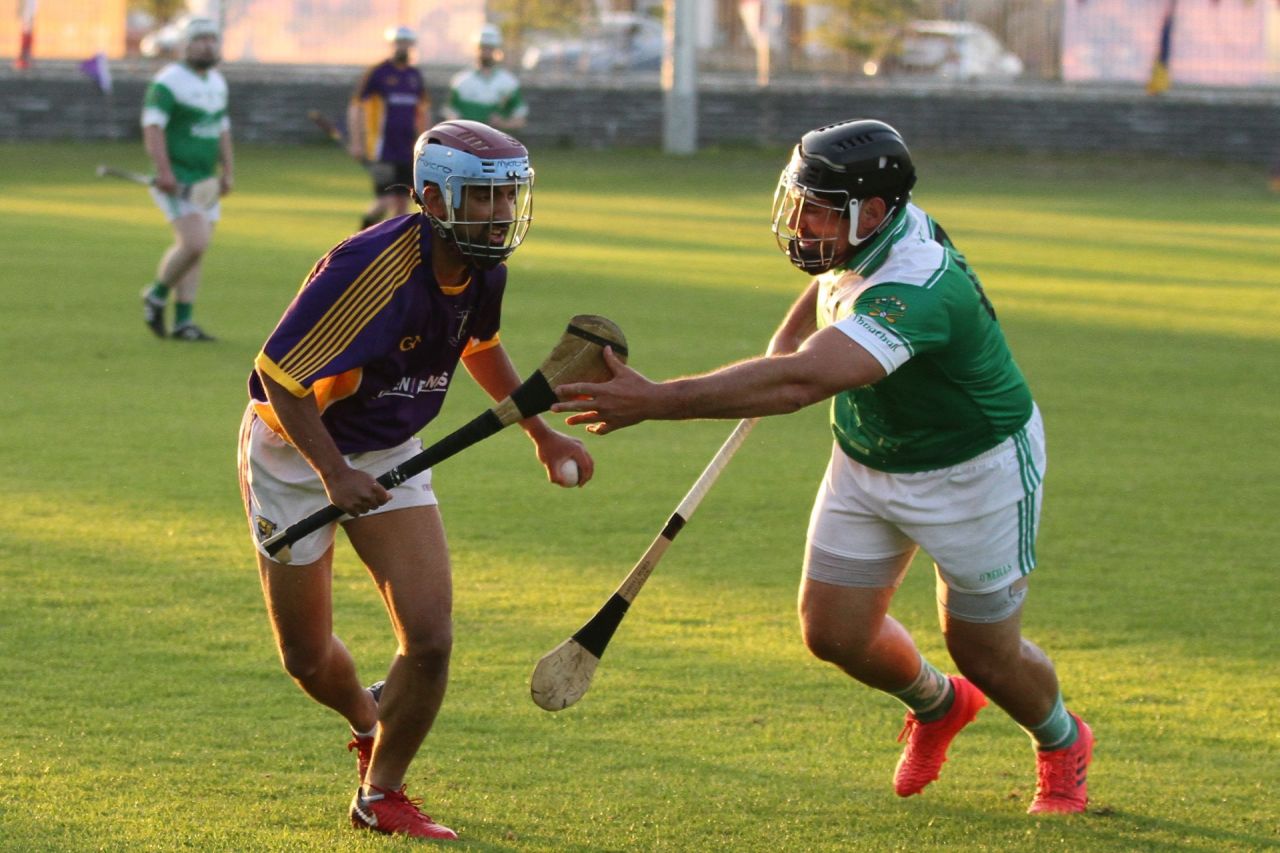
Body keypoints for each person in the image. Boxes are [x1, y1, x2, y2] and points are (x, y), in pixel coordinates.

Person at [552, 119, 1095, 815]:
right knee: (833, 630)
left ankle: (1060, 738)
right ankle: (938, 705)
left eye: (817, 209)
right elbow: (828, 292)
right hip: (869, 453)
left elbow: (800, 385)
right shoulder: (874, 229)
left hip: (974, 471)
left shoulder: (917, 286)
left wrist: (657, 400)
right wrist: (790, 335)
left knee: (984, 651)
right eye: (797, 200)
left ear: (873, 211)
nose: (800, 222)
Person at [237, 120, 590, 840]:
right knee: (305, 657)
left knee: (429, 639)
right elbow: (278, 375)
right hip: (295, 451)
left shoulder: (484, 267)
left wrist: (539, 430)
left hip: (391, 449)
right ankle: (368, 717)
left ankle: (381, 793)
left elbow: (480, 346)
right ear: (432, 196)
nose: (499, 215)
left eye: (508, 198)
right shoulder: (371, 272)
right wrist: (331, 473)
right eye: (483, 198)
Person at [139, 16, 233, 342]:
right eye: (200, 39)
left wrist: (228, 171)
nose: (208, 44)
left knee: (196, 250)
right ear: (186, 44)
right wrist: (164, 171)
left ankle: (183, 322)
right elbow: (152, 127)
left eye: (212, 39)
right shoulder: (168, 81)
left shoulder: (218, 82)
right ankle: (156, 295)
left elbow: (222, 130)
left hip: (206, 179)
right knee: (194, 242)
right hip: (178, 176)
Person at [347, 25, 431, 231]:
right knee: (384, 201)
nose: (402, 48)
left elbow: (424, 109)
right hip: (381, 148)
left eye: (406, 44)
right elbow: (356, 107)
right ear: (392, 45)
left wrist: (426, 140)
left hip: (408, 149)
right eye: (398, 43)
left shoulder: (414, 75)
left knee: (403, 202)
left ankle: (394, 244)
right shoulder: (378, 73)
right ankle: (359, 236)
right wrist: (357, 141)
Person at [442, 24, 527, 131]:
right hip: (468, 143)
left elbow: (520, 120)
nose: (486, 52)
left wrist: (503, 123)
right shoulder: (461, 81)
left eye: (490, 48)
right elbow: (450, 117)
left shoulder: (509, 83)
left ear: (496, 50)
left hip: (498, 144)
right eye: (482, 48)